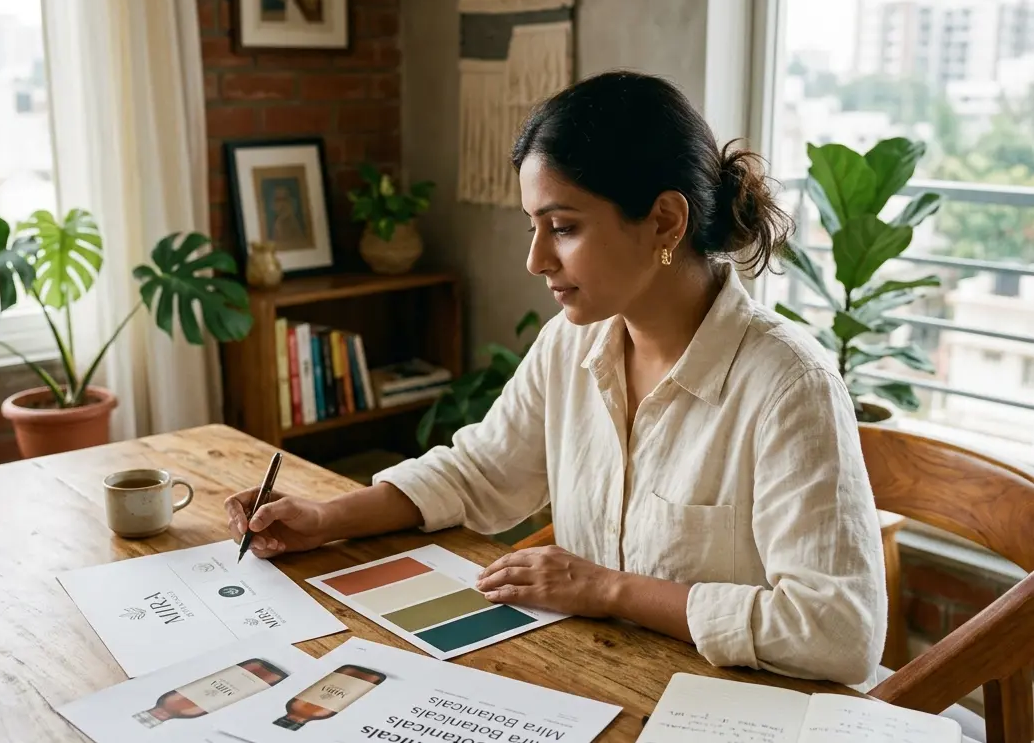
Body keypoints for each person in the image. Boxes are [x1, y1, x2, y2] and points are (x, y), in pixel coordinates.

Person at [224, 71, 888, 689]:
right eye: (534, 227)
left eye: (563, 227)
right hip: (598, 679)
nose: (536, 259)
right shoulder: (572, 343)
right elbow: (480, 471)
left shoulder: (787, 385)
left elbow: (839, 632)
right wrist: (324, 518)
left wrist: (606, 588)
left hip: (733, 707)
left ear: (664, 220)